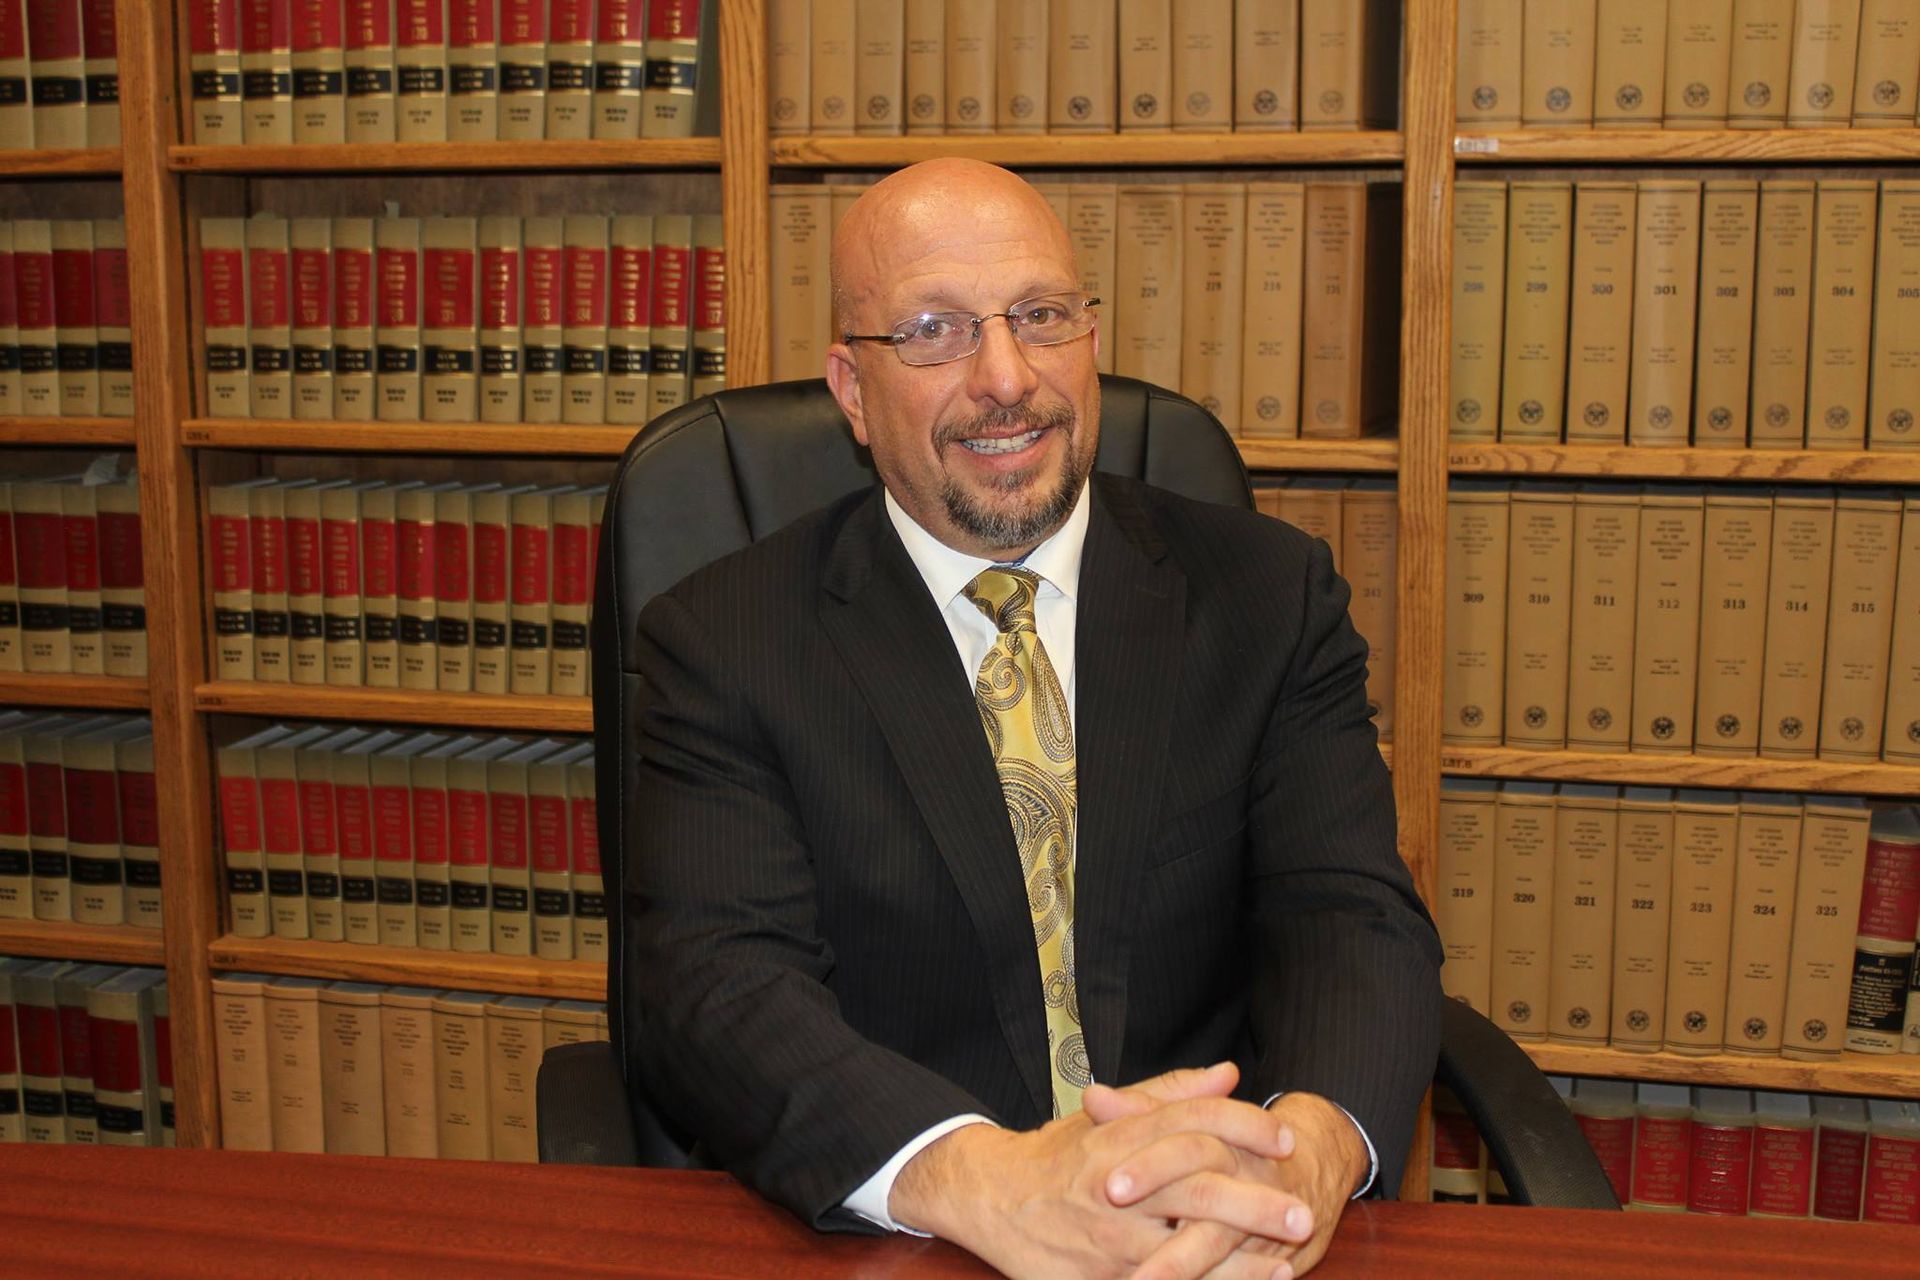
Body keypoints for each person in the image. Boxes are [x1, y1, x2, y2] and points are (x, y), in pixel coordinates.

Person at [630, 158, 1443, 1279]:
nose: (1006, 378)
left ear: (1091, 336)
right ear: (853, 392)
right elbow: (719, 988)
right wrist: (987, 1179)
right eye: (934, 331)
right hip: (920, 1239)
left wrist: (1307, 1151)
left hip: (1218, 1235)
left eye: (1042, 316)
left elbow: (1351, 918)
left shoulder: (1268, 597)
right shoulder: (724, 642)